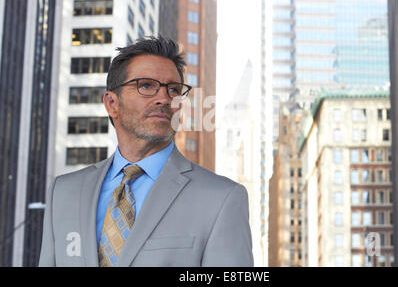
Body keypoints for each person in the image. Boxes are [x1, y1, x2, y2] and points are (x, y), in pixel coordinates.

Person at [39, 36, 253, 267]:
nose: (164, 98)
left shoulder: (222, 198)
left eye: (173, 89)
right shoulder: (62, 193)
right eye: (146, 86)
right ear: (112, 103)